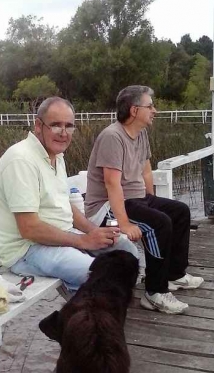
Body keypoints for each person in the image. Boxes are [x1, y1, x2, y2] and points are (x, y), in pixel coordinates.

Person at [0, 97, 139, 293]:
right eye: (55, 125)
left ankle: (107, 311)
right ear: (38, 125)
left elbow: (65, 204)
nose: (63, 133)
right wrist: (82, 241)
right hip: (27, 249)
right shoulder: (21, 160)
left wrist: (92, 231)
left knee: (126, 249)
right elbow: (29, 229)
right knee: (97, 273)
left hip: (61, 237)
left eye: (69, 126)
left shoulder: (56, 156)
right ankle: (87, 318)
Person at [85, 85, 204, 315]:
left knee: (179, 211)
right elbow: (112, 184)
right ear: (133, 110)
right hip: (107, 208)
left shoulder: (140, 134)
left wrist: (152, 200)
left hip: (135, 199)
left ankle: (175, 275)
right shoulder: (112, 136)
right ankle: (154, 293)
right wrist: (126, 224)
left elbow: (146, 171)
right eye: (149, 106)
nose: (154, 110)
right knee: (159, 224)